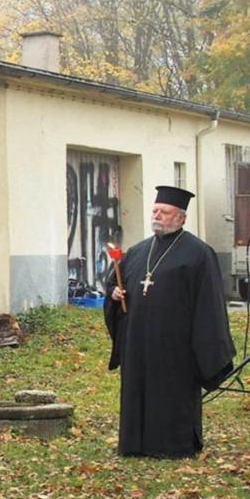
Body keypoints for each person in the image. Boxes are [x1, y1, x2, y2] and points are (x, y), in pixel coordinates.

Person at [104, 185, 235, 458]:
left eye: (164, 212)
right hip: (138, 341)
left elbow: (209, 303)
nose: (157, 216)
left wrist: (207, 346)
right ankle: (134, 444)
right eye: (155, 211)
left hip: (177, 346)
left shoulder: (199, 254)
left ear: (181, 218)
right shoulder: (138, 252)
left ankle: (173, 445)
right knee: (138, 391)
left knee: (171, 393)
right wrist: (115, 294)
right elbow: (116, 285)